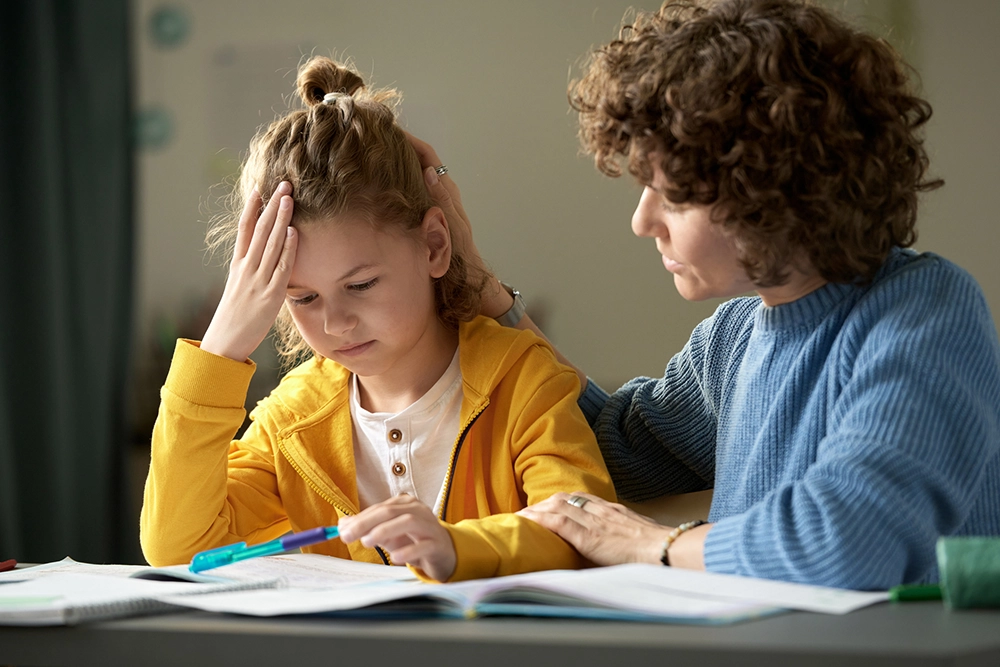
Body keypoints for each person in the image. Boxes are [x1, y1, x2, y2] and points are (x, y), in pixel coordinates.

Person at [410, 0, 1000, 590]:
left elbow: (848, 542)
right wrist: (474, 276)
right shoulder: (733, 337)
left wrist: (651, 544)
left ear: (774, 191)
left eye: (674, 195)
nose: (643, 221)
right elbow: (604, 442)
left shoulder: (926, 312)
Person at [139, 55, 615, 583]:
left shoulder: (524, 379)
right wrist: (221, 349)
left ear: (434, 245)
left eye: (360, 285)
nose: (336, 322)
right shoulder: (290, 422)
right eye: (302, 298)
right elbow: (176, 548)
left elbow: (585, 532)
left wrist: (456, 547)